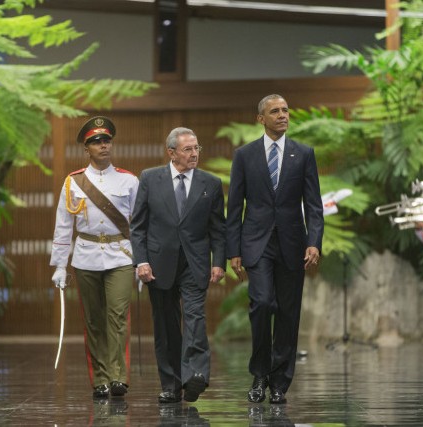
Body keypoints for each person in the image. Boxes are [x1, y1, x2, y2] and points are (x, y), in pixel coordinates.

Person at [226, 94, 324, 404]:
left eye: (285, 110)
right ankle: (259, 373)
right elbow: (234, 206)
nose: (282, 115)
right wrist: (234, 250)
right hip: (256, 244)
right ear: (261, 119)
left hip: (293, 244)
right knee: (263, 303)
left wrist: (314, 242)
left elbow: (314, 205)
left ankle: (280, 381)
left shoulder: (304, 153)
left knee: (288, 313)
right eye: (275, 111)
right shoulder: (245, 155)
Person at [130, 127, 225, 404]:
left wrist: (218, 262)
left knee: (195, 318)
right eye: (188, 149)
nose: (194, 154)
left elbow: (218, 228)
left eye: (197, 148)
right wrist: (142, 261)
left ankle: (195, 376)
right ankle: (171, 384)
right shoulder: (150, 178)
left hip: (195, 263)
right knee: (166, 325)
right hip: (158, 264)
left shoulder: (211, 183)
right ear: (171, 153)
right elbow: (138, 226)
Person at [50, 116, 138, 399]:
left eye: (106, 140)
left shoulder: (129, 180)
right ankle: (100, 378)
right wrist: (60, 266)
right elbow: (63, 226)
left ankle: (118, 376)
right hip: (86, 257)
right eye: (96, 142)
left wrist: (143, 260)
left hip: (121, 256)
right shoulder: (73, 182)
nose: (102, 145)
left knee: (117, 316)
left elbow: (139, 225)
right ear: (86, 149)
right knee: (94, 320)